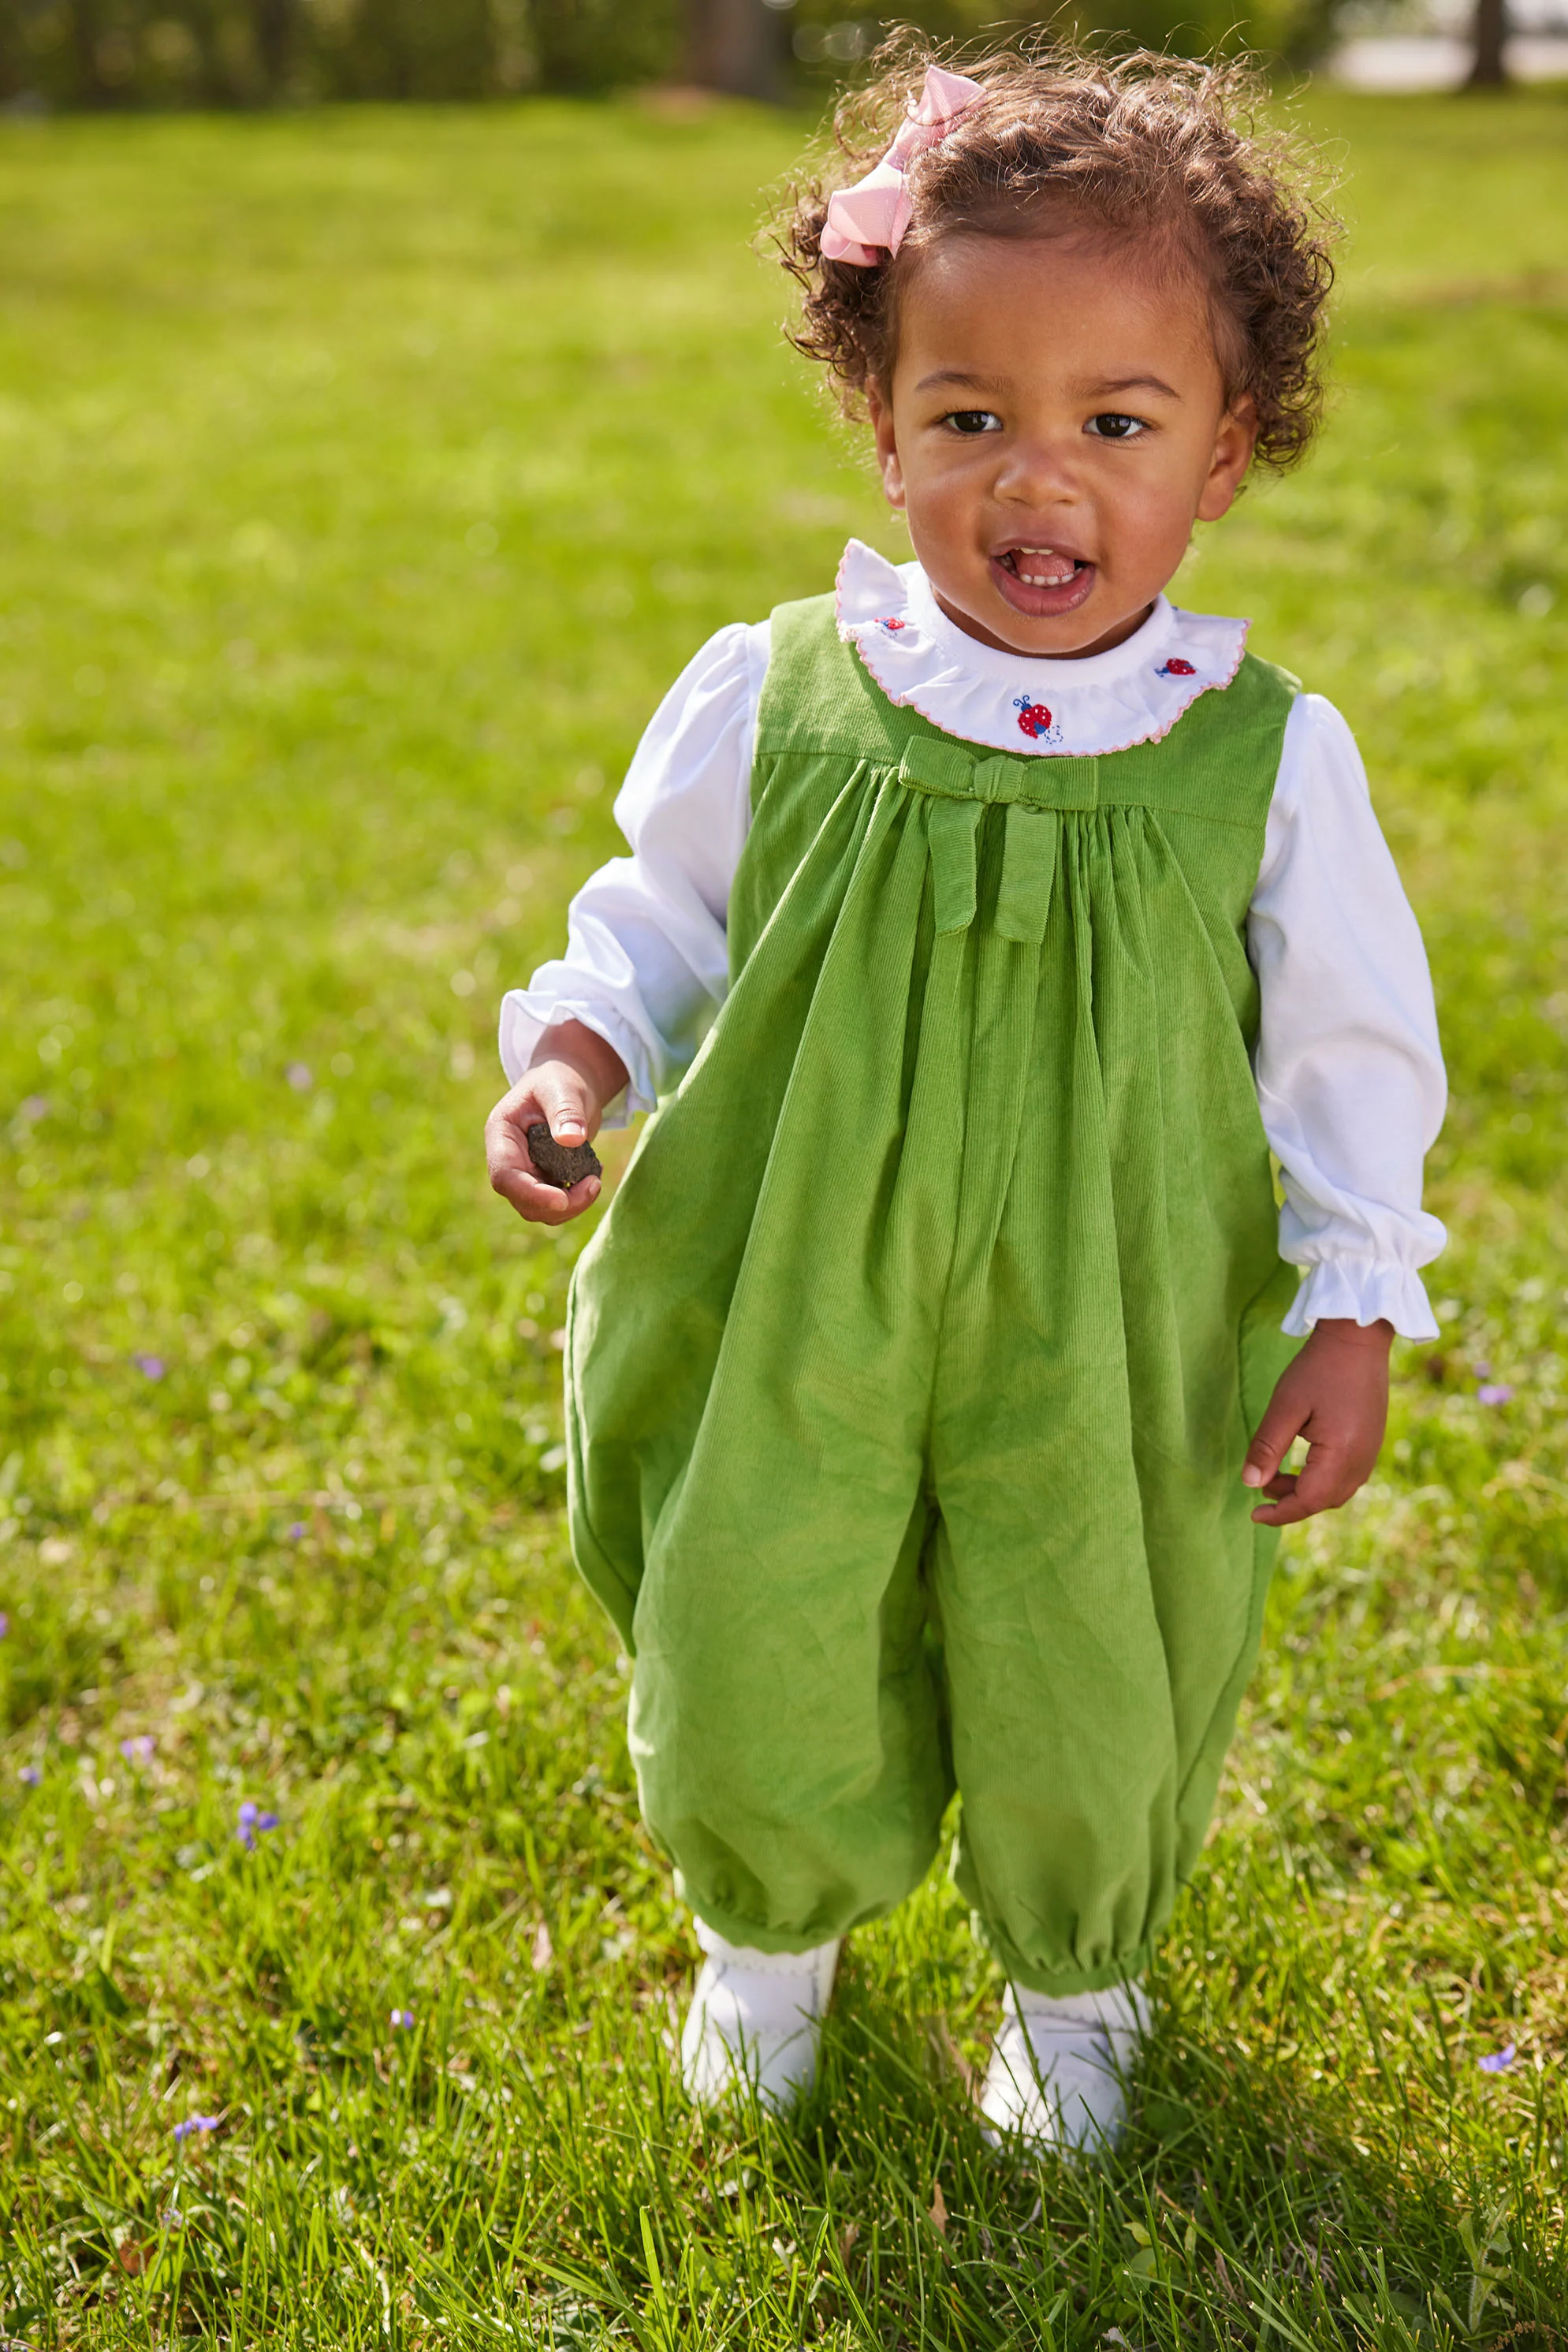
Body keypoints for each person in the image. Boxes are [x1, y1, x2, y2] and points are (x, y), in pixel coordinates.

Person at [485, 42, 1446, 2156]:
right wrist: (576, 1050)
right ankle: (768, 1939)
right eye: (968, 418)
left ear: (1226, 449)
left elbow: (1344, 1051)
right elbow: (660, 918)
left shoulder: (1260, 754)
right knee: (764, 1598)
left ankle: (1075, 1983)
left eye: (1116, 423)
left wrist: (1353, 1294)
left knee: (1089, 1628)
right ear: (877, 420)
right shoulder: (786, 687)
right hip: (796, 1271)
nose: (1038, 483)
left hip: (1112, 1300)